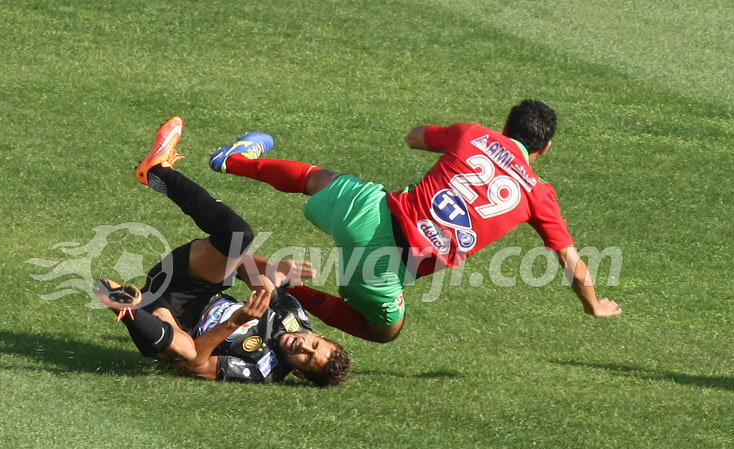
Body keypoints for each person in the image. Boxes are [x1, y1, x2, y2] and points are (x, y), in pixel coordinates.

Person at [208, 100, 622, 343]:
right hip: (383, 268)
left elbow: (416, 136)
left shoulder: (474, 134)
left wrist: (448, 139)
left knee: (322, 180)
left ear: (505, 127)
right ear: (544, 148)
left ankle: (234, 160)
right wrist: (593, 305)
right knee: (384, 331)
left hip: (372, 211)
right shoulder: (539, 194)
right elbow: (571, 262)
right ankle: (281, 287)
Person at [93, 117, 350, 386]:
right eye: (314, 345)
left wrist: (236, 322)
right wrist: (269, 269)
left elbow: (193, 366)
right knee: (239, 236)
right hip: (190, 286)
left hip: (171, 323)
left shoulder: (262, 369)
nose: (304, 347)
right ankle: (157, 172)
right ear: (319, 336)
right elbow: (243, 263)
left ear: (299, 373)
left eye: (307, 359)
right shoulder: (292, 316)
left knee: (183, 351)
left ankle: (125, 305)